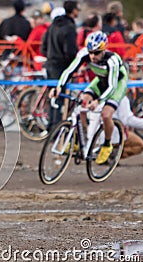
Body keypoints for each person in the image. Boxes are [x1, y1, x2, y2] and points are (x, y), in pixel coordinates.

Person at [50, 31, 128, 165]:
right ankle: (80, 139)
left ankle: (107, 144)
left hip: (116, 85)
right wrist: (58, 87)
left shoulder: (113, 60)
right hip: (100, 80)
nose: (92, 56)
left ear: (104, 50)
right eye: (90, 52)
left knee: (106, 114)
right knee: (81, 103)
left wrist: (98, 101)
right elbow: (69, 70)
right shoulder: (84, 54)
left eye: (96, 53)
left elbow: (112, 86)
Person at [41, 0, 80, 131]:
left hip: (50, 64)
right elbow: (70, 52)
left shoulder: (52, 26)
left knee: (52, 97)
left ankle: (51, 127)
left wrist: (50, 56)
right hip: (62, 67)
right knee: (60, 98)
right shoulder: (69, 27)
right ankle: (57, 130)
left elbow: (43, 47)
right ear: (72, 10)